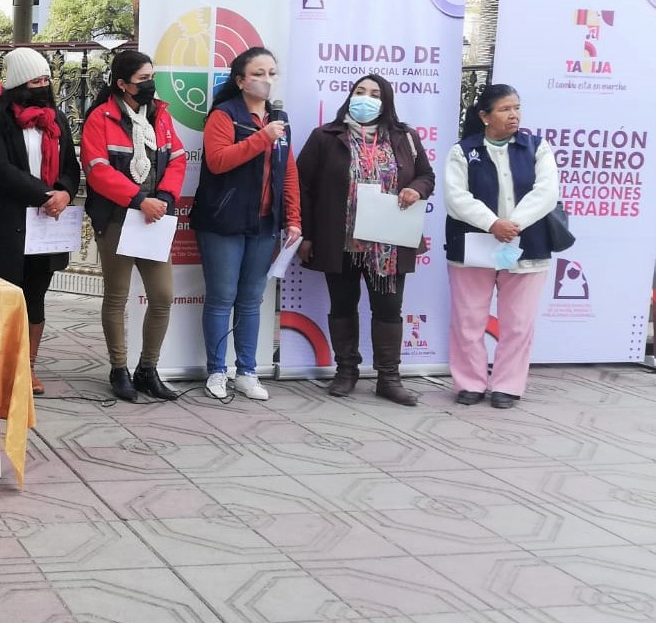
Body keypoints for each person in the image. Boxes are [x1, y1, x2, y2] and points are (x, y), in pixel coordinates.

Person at [296, 74, 434, 406]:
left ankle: (389, 378)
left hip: (388, 242)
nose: (366, 98)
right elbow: (302, 187)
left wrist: (416, 189)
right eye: (360, 92)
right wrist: (306, 235)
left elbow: (426, 175)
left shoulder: (405, 137)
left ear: (385, 101)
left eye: (374, 94)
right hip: (339, 240)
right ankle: (346, 371)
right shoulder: (325, 137)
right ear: (349, 96)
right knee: (342, 305)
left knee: (388, 308)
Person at [189, 46, 301, 401]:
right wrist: (261, 138)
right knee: (222, 297)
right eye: (258, 73)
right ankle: (217, 371)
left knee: (252, 300)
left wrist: (293, 218)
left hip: (265, 223)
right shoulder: (224, 115)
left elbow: (288, 172)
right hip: (224, 220)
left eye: (272, 73)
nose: (267, 80)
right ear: (240, 81)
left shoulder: (279, 118)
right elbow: (219, 161)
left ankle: (247, 371)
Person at [0, 48, 80, 397]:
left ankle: (26, 368)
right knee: (4, 295)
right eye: (36, 81)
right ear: (19, 84)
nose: (43, 86)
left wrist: (63, 191)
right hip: (6, 221)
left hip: (46, 226)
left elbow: (70, 165)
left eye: (47, 79)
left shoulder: (56, 119)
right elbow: (1, 170)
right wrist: (45, 196)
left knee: (35, 294)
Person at [80, 51, 188, 403]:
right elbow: (97, 170)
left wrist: (166, 197)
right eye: (143, 79)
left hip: (154, 218)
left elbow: (177, 158)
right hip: (117, 218)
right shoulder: (100, 117)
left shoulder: (161, 115)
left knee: (162, 296)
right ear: (122, 84)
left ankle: (147, 370)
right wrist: (138, 199)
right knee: (116, 297)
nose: (150, 85)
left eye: (151, 77)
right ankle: (119, 369)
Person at [443, 83, 559, 409]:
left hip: (527, 245)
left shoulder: (536, 147)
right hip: (473, 246)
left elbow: (546, 192)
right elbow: (456, 198)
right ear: (484, 116)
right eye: (505, 109)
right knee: (468, 319)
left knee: (518, 323)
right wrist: (492, 223)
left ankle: (507, 385)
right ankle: (470, 382)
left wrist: (513, 224)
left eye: (517, 108)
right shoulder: (463, 151)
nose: (514, 115)